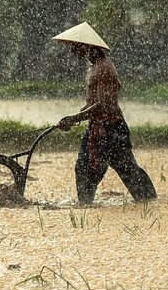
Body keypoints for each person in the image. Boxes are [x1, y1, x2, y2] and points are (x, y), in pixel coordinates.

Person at [53, 22, 157, 204]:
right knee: (95, 169)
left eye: (74, 46)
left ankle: (147, 201)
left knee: (123, 169)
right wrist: (75, 117)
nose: (72, 51)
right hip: (100, 128)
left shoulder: (104, 68)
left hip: (111, 129)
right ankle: (87, 205)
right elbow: (93, 103)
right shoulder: (94, 67)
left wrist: (75, 118)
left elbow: (104, 105)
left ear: (86, 46)